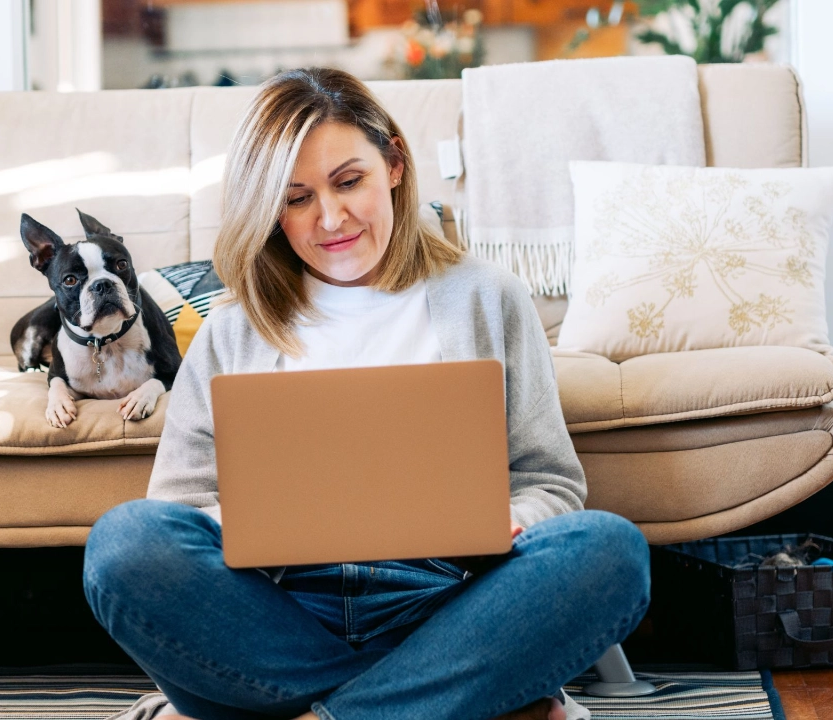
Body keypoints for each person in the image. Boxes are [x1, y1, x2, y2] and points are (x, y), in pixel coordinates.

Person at [83, 67, 650, 720]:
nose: (330, 217)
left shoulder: (489, 298)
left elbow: (549, 482)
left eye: (349, 181)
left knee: (610, 553)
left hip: (449, 601)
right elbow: (178, 509)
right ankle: (456, 701)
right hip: (279, 613)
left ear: (395, 164)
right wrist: (237, 525)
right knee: (123, 545)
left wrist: (517, 522)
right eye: (295, 198)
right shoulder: (234, 331)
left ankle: (320, 710)